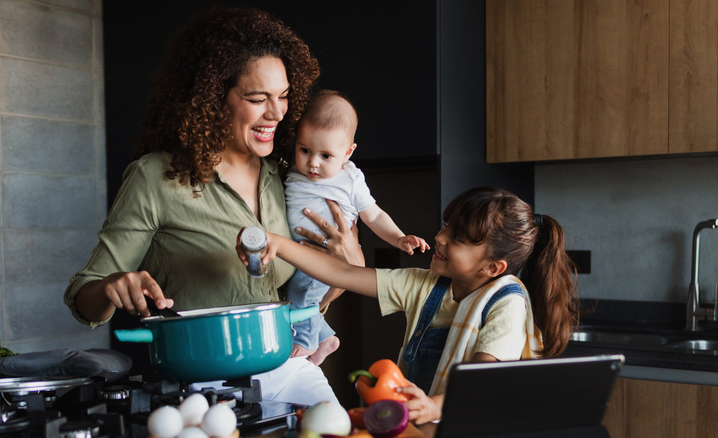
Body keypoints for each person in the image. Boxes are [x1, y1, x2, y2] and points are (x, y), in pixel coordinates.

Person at [63, 6, 364, 406]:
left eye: (284, 96)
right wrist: (112, 286)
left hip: (287, 370)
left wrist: (349, 261)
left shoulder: (291, 176)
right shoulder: (156, 178)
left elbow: (330, 281)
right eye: (258, 98)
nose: (277, 113)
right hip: (202, 389)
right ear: (213, 98)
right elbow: (84, 298)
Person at [237, 186, 579, 423]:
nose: (440, 237)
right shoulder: (425, 286)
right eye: (446, 226)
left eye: (457, 238)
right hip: (422, 423)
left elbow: (483, 382)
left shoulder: (507, 303)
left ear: (492, 268)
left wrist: (434, 407)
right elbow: (341, 273)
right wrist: (278, 244)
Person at [284, 90, 429, 365]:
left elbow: (373, 216)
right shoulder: (293, 169)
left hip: (326, 255)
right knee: (300, 297)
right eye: (304, 150)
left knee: (301, 295)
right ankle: (325, 338)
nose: (312, 163)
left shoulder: (349, 179)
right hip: (301, 253)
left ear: (348, 152)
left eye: (326, 155)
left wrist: (398, 238)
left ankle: (304, 341)